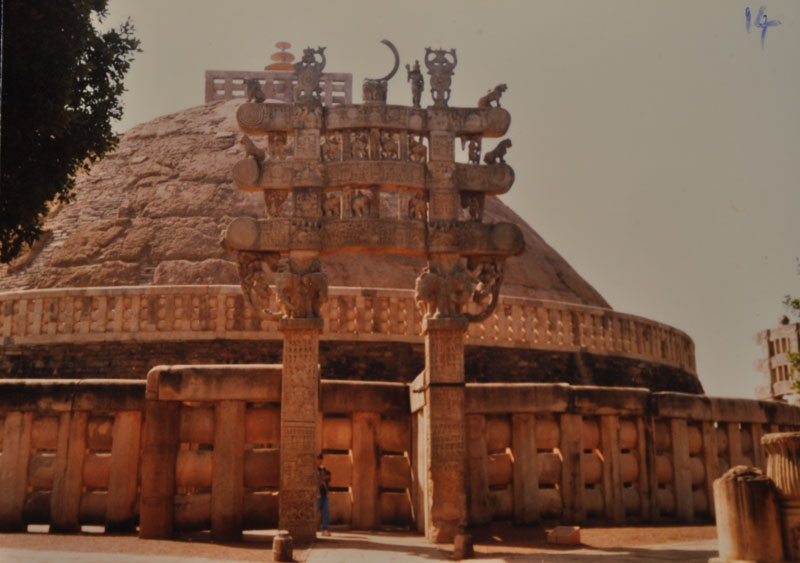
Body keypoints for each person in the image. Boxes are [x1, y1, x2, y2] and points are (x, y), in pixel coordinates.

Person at [317, 453, 331, 536]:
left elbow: (328, 475)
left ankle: (324, 529)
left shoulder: (323, 470)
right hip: (316, 495)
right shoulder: (312, 470)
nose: (319, 461)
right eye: (318, 459)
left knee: (326, 512)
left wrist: (323, 479)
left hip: (324, 494)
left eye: (321, 460)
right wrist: (320, 479)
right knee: (314, 512)